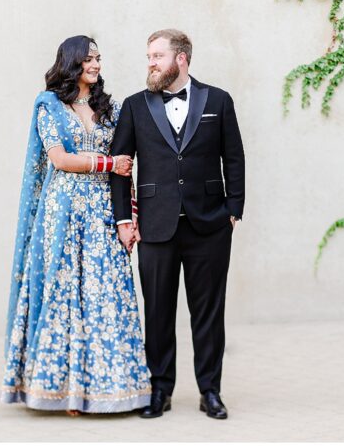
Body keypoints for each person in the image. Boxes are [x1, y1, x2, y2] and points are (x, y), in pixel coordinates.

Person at [1, 35, 152, 414]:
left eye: (99, 58)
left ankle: (111, 388)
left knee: (108, 291)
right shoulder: (49, 106)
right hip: (64, 210)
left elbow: (125, 161)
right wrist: (105, 163)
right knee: (67, 293)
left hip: (103, 208)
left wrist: (128, 215)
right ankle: (66, 391)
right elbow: (61, 160)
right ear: (72, 63)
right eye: (89, 59)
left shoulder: (108, 107)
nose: (97, 65)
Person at [111, 28, 245, 420]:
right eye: (149, 56)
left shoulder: (218, 101)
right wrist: (124, 219)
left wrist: (233, 209)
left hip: (210, 225)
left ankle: (210, 391)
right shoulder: (135, 106)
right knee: (158, 312)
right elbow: (121, 168)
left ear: (181, 58)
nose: (150, 63)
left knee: (208, 314)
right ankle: (160, 390)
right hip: (155, 226)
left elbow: (233, 157)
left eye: (157, 56)